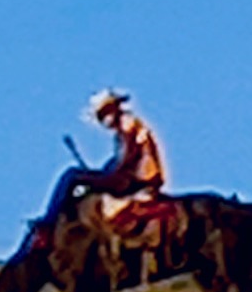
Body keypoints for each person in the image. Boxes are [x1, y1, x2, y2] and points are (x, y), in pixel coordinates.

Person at [49, 90, 170, 222]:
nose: (104, 120)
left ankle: (51, 220)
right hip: (134, 177)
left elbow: (128, 158)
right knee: (80, 178)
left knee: (73, 177)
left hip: (134, 179)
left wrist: (105, 176)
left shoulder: (127, 122)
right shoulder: (124, 129)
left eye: (105, 113)